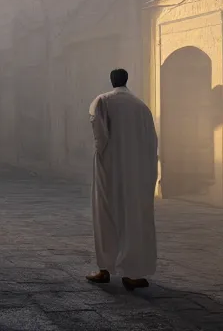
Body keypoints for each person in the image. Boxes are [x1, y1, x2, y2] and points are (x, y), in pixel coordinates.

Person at [86, 68, 159, 291]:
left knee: (106, 215)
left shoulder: (102, 101)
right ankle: (132, 272)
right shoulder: (141, 106)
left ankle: (105, 269)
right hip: (136, 172)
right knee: (133, 218)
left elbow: (100, 137)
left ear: (111, 81)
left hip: (110, 169)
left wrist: (103, 160)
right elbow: (151, 142)